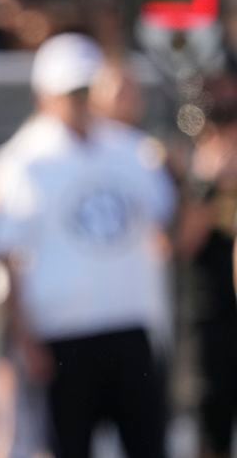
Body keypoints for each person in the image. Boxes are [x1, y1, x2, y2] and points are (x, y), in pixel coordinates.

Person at [0, 33, 174, 458]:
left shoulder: (132, 149)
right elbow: (6, 256)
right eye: (71, 91)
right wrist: (25, 339)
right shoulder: (24, 161)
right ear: (46, 95)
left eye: (86, 89)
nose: (80, 100)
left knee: (149, 445)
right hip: (61, 336)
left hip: (129, 330)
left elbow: (168, 229)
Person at [174, 71, 237, 458]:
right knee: (211, 418)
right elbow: (181, 242)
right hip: (211, 313)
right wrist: (211, 184)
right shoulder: (191, 165)